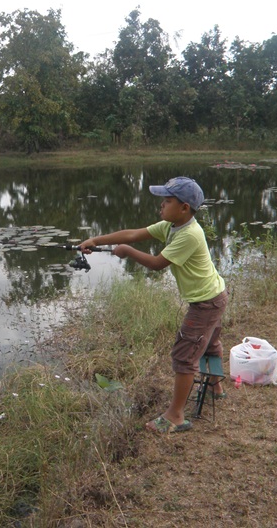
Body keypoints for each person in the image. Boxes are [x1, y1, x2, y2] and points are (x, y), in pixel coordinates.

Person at [79, 176, 228, 434]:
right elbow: (135, 234)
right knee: (209, 343)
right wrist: (97, 240)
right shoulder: (172, 225)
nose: (161, 206)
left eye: (167, 201)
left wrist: (126, 252)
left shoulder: (189, 234)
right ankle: (216, 387)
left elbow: (158, 263)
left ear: (184, 207)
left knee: (184, 355)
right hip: (213, 295)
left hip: (206, 303)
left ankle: (175, 416)